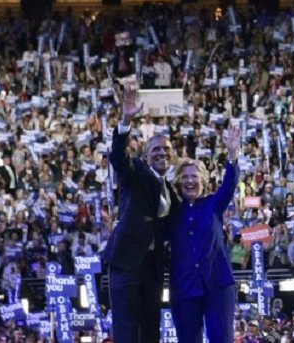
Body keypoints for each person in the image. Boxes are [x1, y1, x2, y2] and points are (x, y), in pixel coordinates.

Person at [102, 78, 179, 343]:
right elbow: (117, 158)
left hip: (152, 267)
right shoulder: (136, 173)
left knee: (150, 332)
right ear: (146, 155)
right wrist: (125, 121)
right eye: (156, 149)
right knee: (126, 332)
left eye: (167, 150)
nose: (162, 153)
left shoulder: (171, 191)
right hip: (126, 263)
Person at [168, 125, 241, 343]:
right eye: (185, 177)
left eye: (194, 176)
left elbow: (229, 185)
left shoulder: (213, 204)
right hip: (184, 285)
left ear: (203, 180)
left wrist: (233, 155)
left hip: (218, 281)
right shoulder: (171, 210)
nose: (190, 181)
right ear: (178, 182)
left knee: (221, 338)